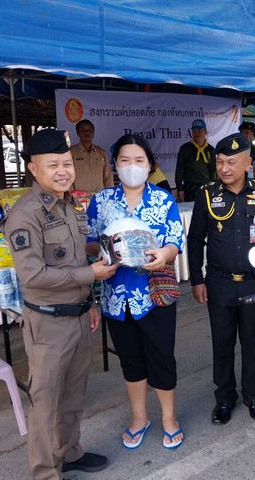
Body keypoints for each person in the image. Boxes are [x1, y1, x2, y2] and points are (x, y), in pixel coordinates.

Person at [2, 129, 116, 480]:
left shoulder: (70, 205)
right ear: (33, 170)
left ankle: (69, 453)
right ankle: (45, 472)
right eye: (53, 165)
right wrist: (90, 274)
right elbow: (33, 275)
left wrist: (91, 300)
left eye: (67, 163)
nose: (63, 171)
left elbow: (76, 257)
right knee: (45, 404)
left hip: (79, 315)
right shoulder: (24, 215)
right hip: (48, 324)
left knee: (73, 395)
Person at [86, 134, 186, 450]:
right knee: (130, 360)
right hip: (116, 295)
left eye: (139, 160)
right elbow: (89, 240)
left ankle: (169, 418)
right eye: (125, 160)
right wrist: (104, 249)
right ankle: (139, 418)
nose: (132, 166)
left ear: (150, 164)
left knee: (161, 357)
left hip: (154, 294)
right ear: (115, 164)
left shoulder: (163, 199)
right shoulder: (101, 200)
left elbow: (176, 239)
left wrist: (165, 254)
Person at [187, 132, 255, 425]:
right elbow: (195, 239)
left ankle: (254, 396)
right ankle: (224, 399)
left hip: (254, 281)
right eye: (220, 162)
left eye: (231, 162)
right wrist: (197, 279)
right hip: (219, 283)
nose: (224, 168)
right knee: (222, 343)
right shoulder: (207, 194)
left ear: (247, 163)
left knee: (252, 341)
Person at [174, 119, 216, 202]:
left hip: (206, 188)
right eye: (194, 131)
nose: (197, 133)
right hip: (190, 189)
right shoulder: (185, 148)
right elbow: (179, 169)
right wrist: (179, 189)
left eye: (200, 130)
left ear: (205, 131)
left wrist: (212, 187)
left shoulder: (210, 150)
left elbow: (213, 170)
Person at [70, 119, 114, 193]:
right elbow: (67, 177)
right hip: (79, 198)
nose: (87, 132)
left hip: (99, 197)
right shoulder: (71, 153)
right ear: (78, 133)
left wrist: (110, 195)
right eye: (83, 130)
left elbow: (108, 178)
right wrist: (72, 196)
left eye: (90, 130)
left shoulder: (101, 153)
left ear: (93, 133)